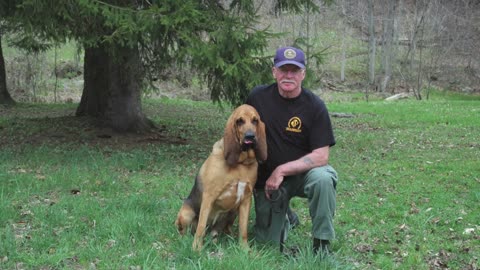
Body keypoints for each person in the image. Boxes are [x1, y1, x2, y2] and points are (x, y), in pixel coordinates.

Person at [245, 46, 338, 255]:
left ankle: (321, 244)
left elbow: (322, 156)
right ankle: (285, 214)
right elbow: (244, 130)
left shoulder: (315, 106)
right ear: (274, 72)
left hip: (302, 175)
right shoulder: (257, 97)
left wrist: (282, 170)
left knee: (324, 178)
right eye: (283, 69)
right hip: (267, 181)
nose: (288, 75)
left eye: (294, 70)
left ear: (303, 74)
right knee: (268, 247)